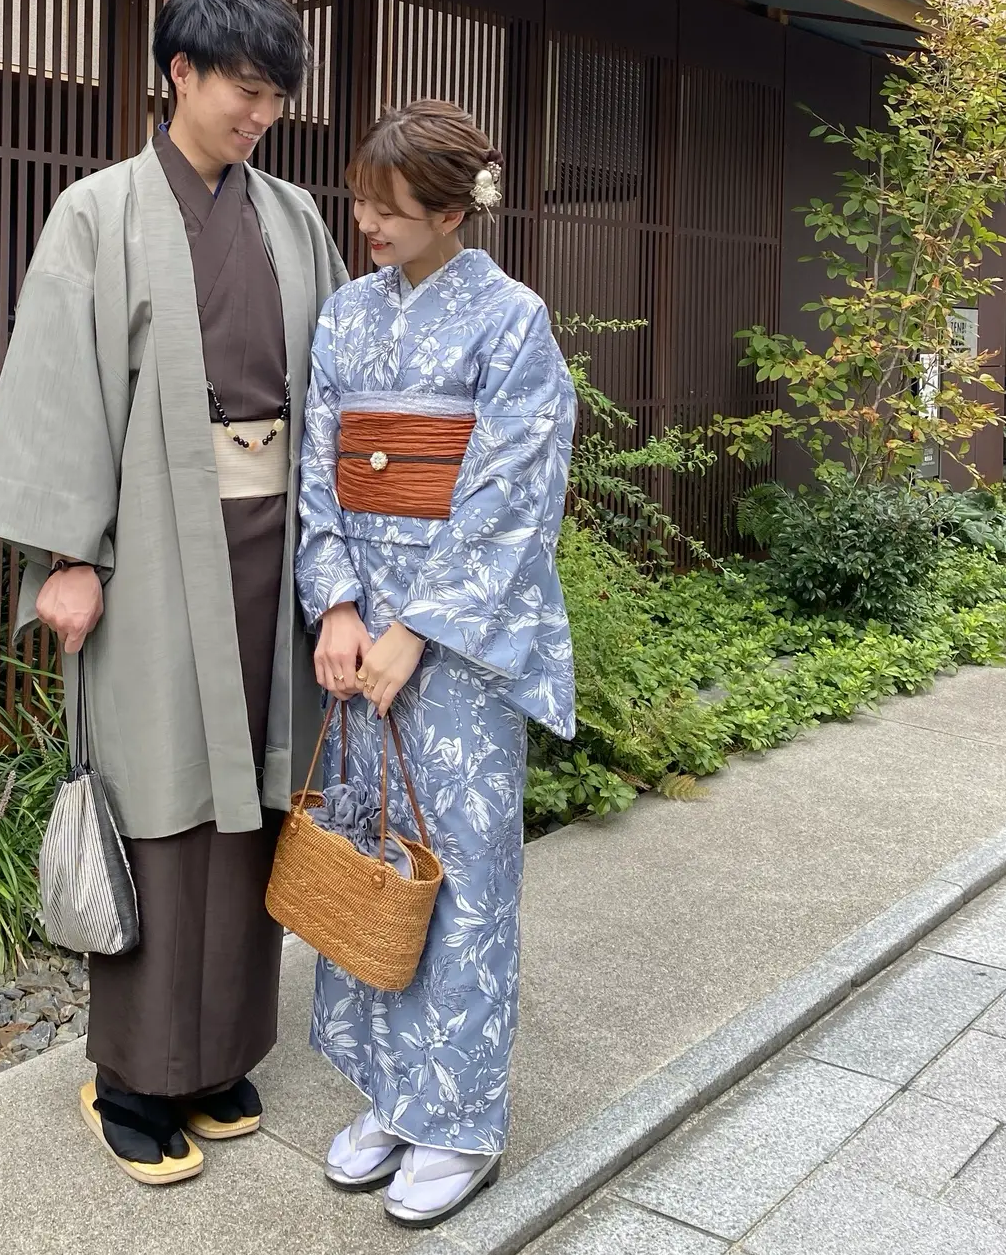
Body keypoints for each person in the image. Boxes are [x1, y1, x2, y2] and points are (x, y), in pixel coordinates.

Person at [0, 0, 346, 1186]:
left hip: (273, 550)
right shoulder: (98, 212)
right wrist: (69, 555)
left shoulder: (292, 219)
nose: (263, 114)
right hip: (155, 552)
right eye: (246, 88)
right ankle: (130, 1076)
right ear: (179, 72)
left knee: (257, 804)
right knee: (161, 803)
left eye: (278, 94)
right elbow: (60, 386)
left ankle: (222, 1055)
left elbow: (330, 391)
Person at [294, 100, 576, 1228]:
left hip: (453, 648)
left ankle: (457, 1116)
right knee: (367, 851)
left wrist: (418, 628)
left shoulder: (512, 322)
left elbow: (513, 488)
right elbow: (322, 463)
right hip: (363, 639)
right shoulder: (345, 317)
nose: (364, 220)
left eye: (388, 206)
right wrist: (341, 607)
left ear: (453, 211)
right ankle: (387, 1092)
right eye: (361, 198)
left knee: (457, 867)